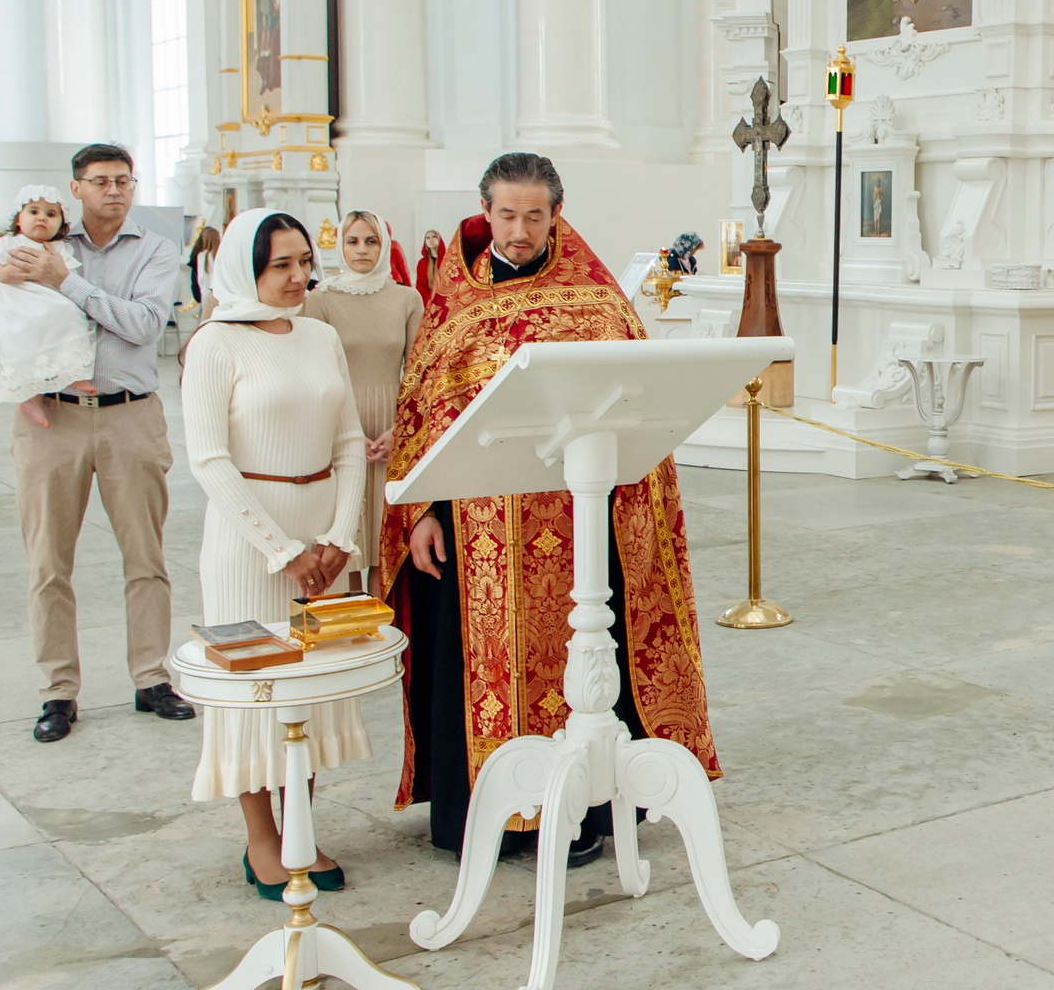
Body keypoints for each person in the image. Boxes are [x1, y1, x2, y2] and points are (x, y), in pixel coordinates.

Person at [383, 153, 717, 864]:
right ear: (485, 212)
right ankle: (486, 813)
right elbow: (424, 413)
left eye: (535, 215)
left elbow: (636, 397)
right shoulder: (456, 305)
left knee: (587, 657)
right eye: (507, 214)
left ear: (556, 214)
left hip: (578, 523)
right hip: (480, 529)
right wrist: (420, 513)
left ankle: (584, 807)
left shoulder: (595, 300)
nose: (520, 229)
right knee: (481, 665)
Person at [182, 209, 369, 895]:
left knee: (311, 690)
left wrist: (339, 539)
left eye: (302, 261)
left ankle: (302, 826)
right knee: (256, 691)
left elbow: (350, 441)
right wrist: (283, 549)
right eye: (280, 265)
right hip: (248, 546)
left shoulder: (320, 334)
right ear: (244, 268)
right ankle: (262, 838)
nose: (298, 276)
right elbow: (209, 460)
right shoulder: (215, 344)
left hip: (322, 541)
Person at [0, 143, 193, 744]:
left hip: (131, 415)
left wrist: (68, 285)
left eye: (124, 180)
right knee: (48, 560)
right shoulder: (45, 242)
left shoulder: (156, 249)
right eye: (100, 180)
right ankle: (58, 690)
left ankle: (152, 676)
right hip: (52, 419)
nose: (114, 190)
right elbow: (8, 315)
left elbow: (144, 325)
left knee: (146, 557)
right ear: (74, 188)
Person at [302, 209, 422, 595]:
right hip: (338, 426)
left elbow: (419, 372)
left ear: (384, 244)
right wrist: (343, 436)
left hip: (391, 427)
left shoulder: (407, 298)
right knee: (345, 542)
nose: (362, 249)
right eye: (353, 241)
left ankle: (384, 639)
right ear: (340, 245)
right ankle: (350, 638)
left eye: (371, 241)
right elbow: (312, 371)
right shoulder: (320, 300)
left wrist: (400, 430)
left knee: (381, 548)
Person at [0, 187, 98, 427]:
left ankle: (72, 372)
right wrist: (28, 271)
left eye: (51, 214)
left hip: (51, 298)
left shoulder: (59, 248)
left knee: (71, 317)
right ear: (18, 219)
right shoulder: (8, 243)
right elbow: (2, 274)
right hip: (17, 301)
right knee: (14, 335)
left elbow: (65, 275)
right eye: (33, 211)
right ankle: (29, 399)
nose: (42, 217)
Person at [185, 223, 222, 316]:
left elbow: (201, 278)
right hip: (221, 294)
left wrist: (202, 293)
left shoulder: (202, 255)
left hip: (207, 293)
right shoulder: (222, 255)